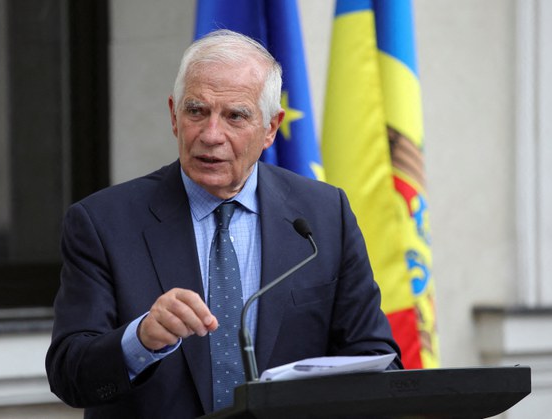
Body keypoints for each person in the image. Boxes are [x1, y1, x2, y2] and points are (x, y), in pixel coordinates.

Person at [46, 29, 402, 418]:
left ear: (270, 128)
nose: (211, 135)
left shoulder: (324, 216)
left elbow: (375, 358)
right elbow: (69, 374)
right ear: (174, 116)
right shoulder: (103, 223)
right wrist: (141, 339)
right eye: (196, 111)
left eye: (235, 116)